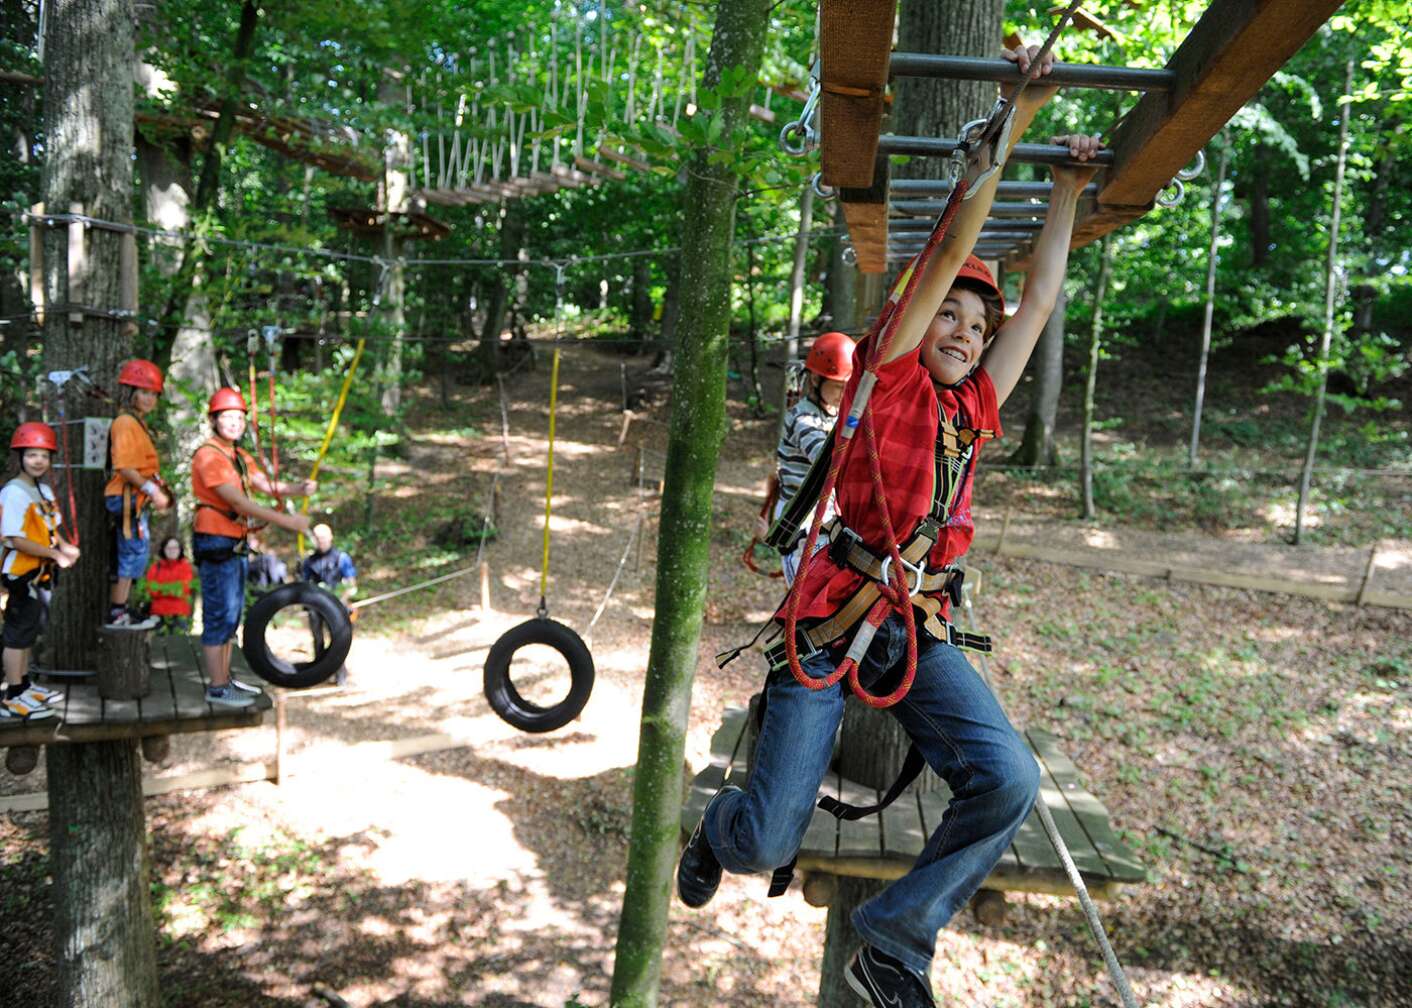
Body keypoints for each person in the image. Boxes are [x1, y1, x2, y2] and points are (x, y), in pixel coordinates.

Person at [677, 43, 1105, 1008]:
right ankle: (720, 832)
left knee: (1006, 781)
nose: (963, 332)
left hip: (913, 624)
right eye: (948, 316)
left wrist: (1070, 188)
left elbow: (1038, 298)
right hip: (834, 617)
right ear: (914, 319)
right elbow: (950, 253)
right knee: (773, 838)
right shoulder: (893, 376)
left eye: (974, 327)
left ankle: (896, 939)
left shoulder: (974, 410)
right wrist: (1018, 121)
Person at [191, 388, 313, 708]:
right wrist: (287, 521)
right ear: (214, 420)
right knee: (219, 615)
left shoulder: (237, 456)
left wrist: (297, 489)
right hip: (216, 540)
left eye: (239, 418)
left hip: (234, 541)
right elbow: (237, 500)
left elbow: (264, 485)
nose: (234, 423)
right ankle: (217, 687)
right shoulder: (209, 455)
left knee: (232, 615)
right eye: (227, 417)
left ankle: (225, 679)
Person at [0, 422, 79, 721]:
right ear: (20, 456)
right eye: (32, 455)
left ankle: (24, 685)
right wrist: (55, 554)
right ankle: (12, 695)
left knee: (30, 630)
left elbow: (51, 527)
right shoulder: (13, 492)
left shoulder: (43, 489)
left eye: (44, 456)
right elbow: (16, 538)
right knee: (17, 633)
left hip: (40, 572)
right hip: (20, 573)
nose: (38, 461)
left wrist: (65, 546)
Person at [769, 331, 854, 583]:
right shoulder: (801, 418)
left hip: (827, 520)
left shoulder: (836, 415)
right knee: (806, 599)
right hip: (802, 520)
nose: (844, 395)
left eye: (849, 389)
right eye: (839, 387)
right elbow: (823, 455)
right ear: (816, 380)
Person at [105, 358, 171, 627]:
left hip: (134, 498)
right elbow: (126, 468)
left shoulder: (137, 423)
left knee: (135, 552)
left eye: (153, 394)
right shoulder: (125, 423)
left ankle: (122, 609)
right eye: (144, 392)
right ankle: (118, 612)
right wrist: (152, 490)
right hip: (127, 496)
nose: (149, 398)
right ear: (131, 392)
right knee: (133, 552)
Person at [300, 522, 356, 685]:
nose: (321, 541)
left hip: (337, 607)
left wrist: (341, 600)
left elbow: (351, 584)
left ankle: (341, 673)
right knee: (317, 639)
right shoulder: (309, 561)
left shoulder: (341, 558)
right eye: (318, 538)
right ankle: (319, 672)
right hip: (316, 607)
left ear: (330, 537)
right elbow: (304, 585)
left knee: (338, 640)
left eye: (323, 537)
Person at [145, 536, 194, 636]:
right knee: (157, 647)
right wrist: (172, 589)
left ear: (180, 550)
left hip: (179, 614)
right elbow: (151, 590)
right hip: (158, 614)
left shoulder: (186, 567)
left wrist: (161, 589)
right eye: (169, 548)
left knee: (179, 646)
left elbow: (183, 589)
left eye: (175, 548)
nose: (172, 551)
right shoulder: (155, 567)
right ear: (163, 549)